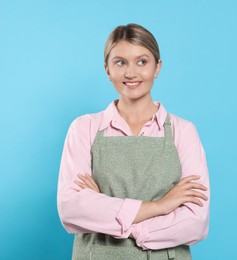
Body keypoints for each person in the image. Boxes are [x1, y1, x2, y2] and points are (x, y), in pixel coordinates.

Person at [57, 23, 210, 260]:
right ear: (107, 69)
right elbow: (72, 209)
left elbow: (195, 221)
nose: (131, 73)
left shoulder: (184, 131)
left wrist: (114, 218)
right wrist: (161, 206)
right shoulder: (84, 128)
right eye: (120, 62)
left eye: (142, 61)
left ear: (157, 67)